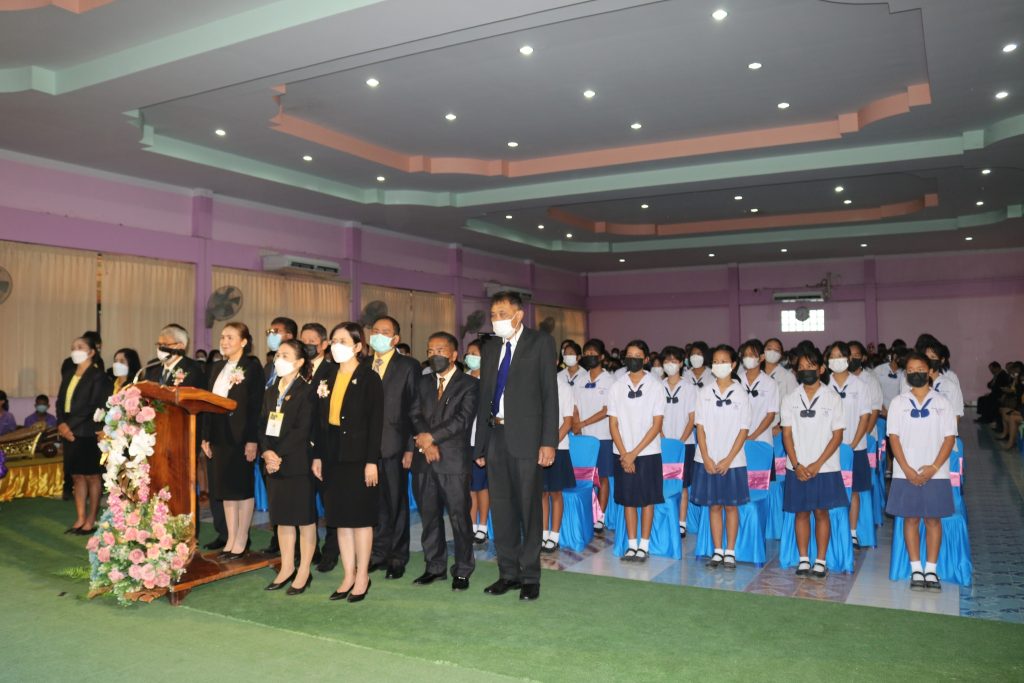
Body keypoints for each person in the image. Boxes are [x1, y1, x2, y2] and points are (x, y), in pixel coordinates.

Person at [474, 291, 558, 601]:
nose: (497, 320)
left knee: (528, 508)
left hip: (528, 438)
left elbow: (550, 394)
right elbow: (485, 396)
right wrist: (480, 445)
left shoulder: (540, 342)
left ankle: (530, 576)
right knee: (502, 507)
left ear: (519, 315)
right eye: (493, 315)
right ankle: (507, 573)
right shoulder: (490, 347)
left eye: (502, 314)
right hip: (496, 435)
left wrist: (548, 441)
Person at [311, 322, 383, 602]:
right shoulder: (326, 374)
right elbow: (319, 420)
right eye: (333, 340)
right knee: (340, 519)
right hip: (332, 455)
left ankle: (363, 575)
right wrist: (317, 455)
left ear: (357, 346)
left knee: (360, 519)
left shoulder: (369, 377)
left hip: (358, 456)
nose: (336, 345)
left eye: (342, 340)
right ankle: (348, 574)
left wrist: (371, 461)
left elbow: (375, 423)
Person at [408, 332, 479, 589]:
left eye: (439, 350)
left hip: (453, 462)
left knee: (459, 518)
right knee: (429, 516)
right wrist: (426, 444)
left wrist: (431, 438)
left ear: (453, 354)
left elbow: (462, 420)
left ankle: (463, 569)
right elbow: (414, 414)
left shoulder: (469, 384)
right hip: (424, 460)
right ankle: (434, 566)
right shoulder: (422, 382)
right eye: (430, 351)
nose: (434, 355)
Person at [886, 352, 957, 591]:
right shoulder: (898, 403)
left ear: (929, 371)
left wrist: (934, 467)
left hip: (936, 472)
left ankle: (931, 569)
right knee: (911, 518)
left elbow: (949, 438)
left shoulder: (942, 403)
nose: (916, 373)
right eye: (911, 370)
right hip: (905, 472)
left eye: (920, 369)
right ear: (906, 374)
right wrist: (906, 468)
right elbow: (893, 438)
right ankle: (916, 568)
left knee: (933, 519)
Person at [780, 345, 846, 578]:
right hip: (797, 467)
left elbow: (837, 436)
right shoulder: (789, 399)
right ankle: (803, 559)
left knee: (821, 513)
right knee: (801, 513)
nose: (806, 370)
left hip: (825, 468)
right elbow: (786, 434)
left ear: (821, 369)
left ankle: (820, 560)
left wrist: (817, 464)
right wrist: (796, 464)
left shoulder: (832, 398)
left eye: (810, 366)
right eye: (801, 367)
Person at [201, 323, 265, 560]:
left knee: (241, 489)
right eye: (222, 337)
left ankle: (241, 539)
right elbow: (207, 403)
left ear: (244, 342)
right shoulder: (218, 366)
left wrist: (252, 440)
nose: (224, 341)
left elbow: (256, 406)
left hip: (240, 437)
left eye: (230, 337)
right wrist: (205, 436)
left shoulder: (252, 367)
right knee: (225, 490)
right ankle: (230, 538)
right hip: (218, 436)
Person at [363, 315, 419, 580]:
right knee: (373, 504)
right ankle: (377, 552)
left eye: (385, 332)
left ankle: (397, 556)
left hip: (395, 445)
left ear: (396, 339)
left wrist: (410, 447)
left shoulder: (408, 366)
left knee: (395, 502)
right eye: (375, 330)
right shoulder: (362, 364)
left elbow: (414, 408)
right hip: (365, 447)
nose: (378, 335)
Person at [259, 340, 317, 595]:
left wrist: (278, 454)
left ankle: (304, 570)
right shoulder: (271, 390)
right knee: (282, 519)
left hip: (297, 461)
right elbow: (262, 424)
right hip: (273, 463)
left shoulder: (307, 390)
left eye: (285, 355)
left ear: (299, 362)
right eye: (277, 355)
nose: (278, 359)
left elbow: (303, 429)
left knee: (303, 519)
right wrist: (267, 452)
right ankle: (287, 567)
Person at [692, 344, 751, 569]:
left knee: (730, 506)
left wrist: (728, 459)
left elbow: (743, 430)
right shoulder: (704, 393)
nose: (719, 365)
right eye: (715, 362)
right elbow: (700, 427)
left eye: (724, 361)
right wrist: (706, 457)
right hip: (707, 459)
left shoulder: (741, 394)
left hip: (733, 461)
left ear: (733, 364)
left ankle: (730, 551)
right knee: (714, 506)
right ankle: (717, 550)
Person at [608, 340, 665, 562]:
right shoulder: (617, 386)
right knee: (628, 500)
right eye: (629, 355)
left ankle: (644, 545)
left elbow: (656, 425)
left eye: (637, 356)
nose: (633, 359)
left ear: (646, 359)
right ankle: (631, 545)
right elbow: (613, 424)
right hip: (622, 453)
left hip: (648, 452)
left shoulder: (656, 386)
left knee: (647, 499)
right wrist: (625, 454)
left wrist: (634, 453)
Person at [56, 335, 112, 534]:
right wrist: (61, 424)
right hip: (69, 431)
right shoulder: (69, 373)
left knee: (92, 477)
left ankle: (90, 520)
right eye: (73, 347)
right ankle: (80, 518)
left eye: (80, 347)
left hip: (87, 431)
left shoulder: (98, 376)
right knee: (77, 476)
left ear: (91, 352)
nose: (75, 350)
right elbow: (60, 402)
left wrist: (68, 427)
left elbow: (93, 406)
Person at [825, 342, 872, 549]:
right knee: (830, 490)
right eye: (832, 356)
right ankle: (831, 530)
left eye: (840, 356)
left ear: (848, 359)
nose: (836, 360)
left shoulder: (860, 385)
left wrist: (852, 444)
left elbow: (865, 417)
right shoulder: (824, 384)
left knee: (854, 491)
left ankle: (852, 533)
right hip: (829, 450)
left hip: (855, 448)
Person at [572, 338, 616, 534]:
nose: (589, 356)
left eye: (593, 353)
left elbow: (607, 410)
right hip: (583, 438)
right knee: (585, 477)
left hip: (603, 437)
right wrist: (577, 426)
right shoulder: (580, 380)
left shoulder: (610, 381)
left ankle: (600, 516)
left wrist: (583, 423)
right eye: (586, 353)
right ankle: (588, 512)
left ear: (602, 357)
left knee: (603, 477)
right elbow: (574, 406)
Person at [660, 346, 698, 537]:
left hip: (685, 444)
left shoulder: (690, 388)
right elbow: (655, 417)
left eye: (674, 361)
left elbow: (692, 419)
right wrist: (662, 437)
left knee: (682, 484)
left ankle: (681, 522)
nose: (670, 364)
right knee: (663, 482)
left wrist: (680, 442)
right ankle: (665, 519)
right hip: (661, 442)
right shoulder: (657, 386)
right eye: (667, 361)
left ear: (682, 363)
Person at [542, 356, 577, 553]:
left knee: (556, 492)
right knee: (541, 492)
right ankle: (543, 533)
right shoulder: (533, 385)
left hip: (558, 447)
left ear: (555, 361)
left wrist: (551, 444)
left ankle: (554, 535)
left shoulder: (563, 388)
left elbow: (568, 421)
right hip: (536, 448)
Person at [464, 338, 490, 544]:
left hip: (482, 440)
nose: (470, 357)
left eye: (474, 354)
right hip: (465, 441)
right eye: (468, 353)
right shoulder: (463, 378)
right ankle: (471, 524)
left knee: (482, 486)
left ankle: (483, 525)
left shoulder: (490, 380)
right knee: (470, 486)